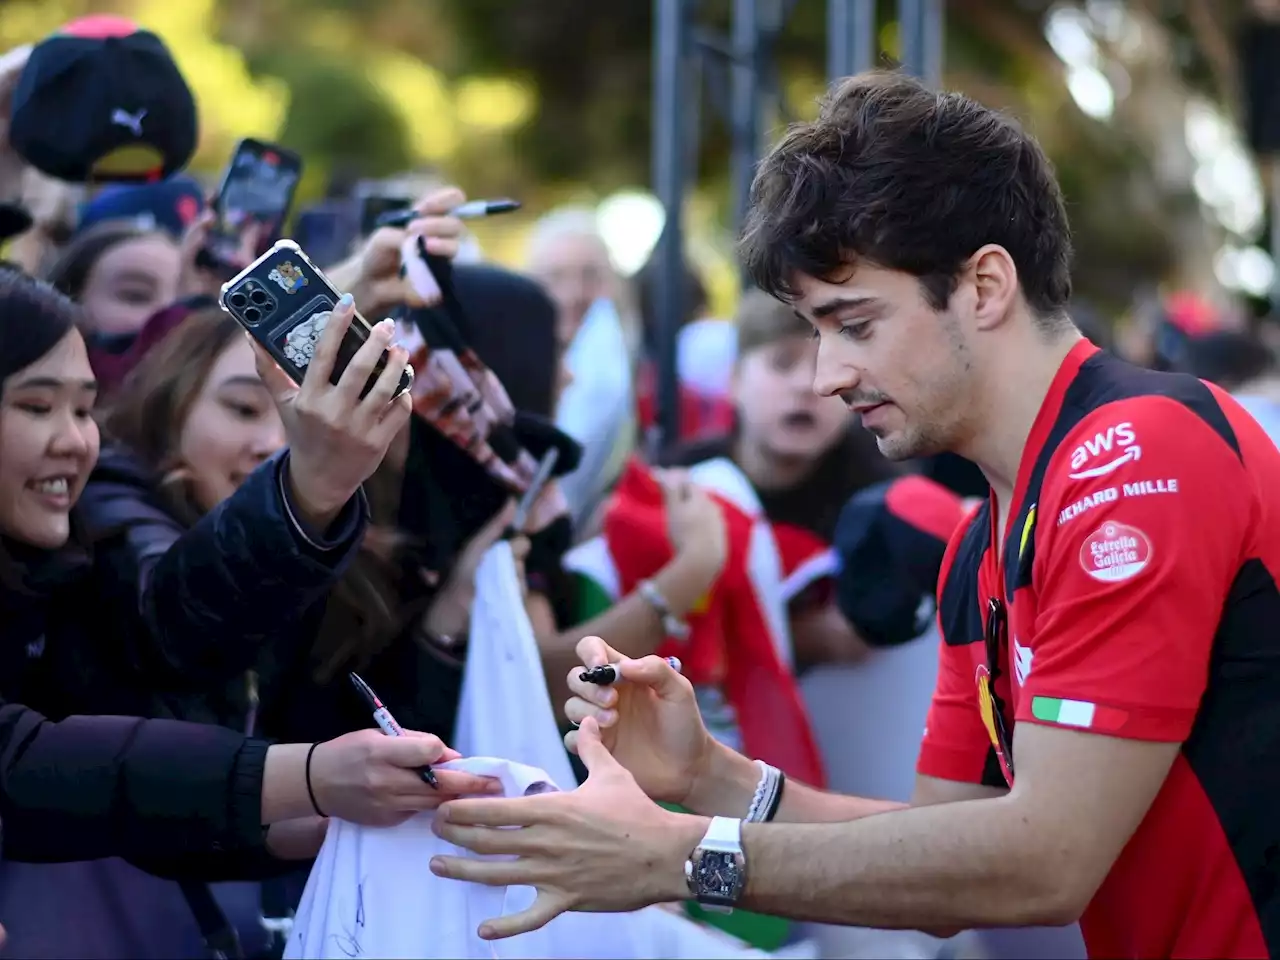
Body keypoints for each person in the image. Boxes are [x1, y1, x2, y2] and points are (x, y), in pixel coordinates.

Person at [426, 72, 1280, 960]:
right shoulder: (982, 544)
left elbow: (1043, 862)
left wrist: (680, 856)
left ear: (985, 286)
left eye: (855, 324)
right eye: (811, 331)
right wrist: (716, 779)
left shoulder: (1139, 455)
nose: (827, 374)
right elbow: (948, 861)